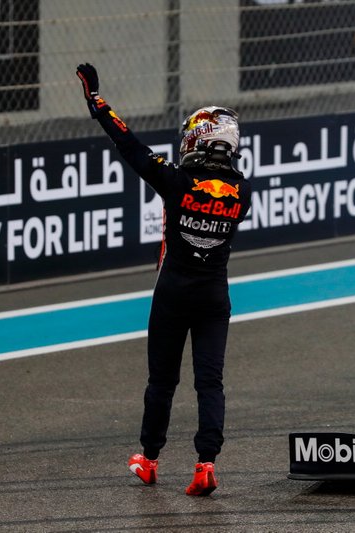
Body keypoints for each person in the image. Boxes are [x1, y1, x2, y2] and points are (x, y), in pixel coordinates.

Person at [76, 63, 251, 496]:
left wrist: (98, 104)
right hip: (215, 297)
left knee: (162, 382)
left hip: (172, 294)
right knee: (210, 382)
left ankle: (150, 459)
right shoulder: (243, 193)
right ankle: (206, 463)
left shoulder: (175, 181)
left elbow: (129, 145)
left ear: (200, 140)